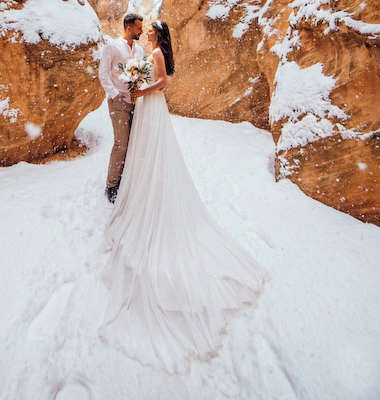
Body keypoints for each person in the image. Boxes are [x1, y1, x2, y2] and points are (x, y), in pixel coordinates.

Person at [99, 20, 268, 374]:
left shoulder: (156, 53)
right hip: (147, 107)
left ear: (157, 34)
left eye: (150, 29)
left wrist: (140, 91)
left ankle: (148, 188)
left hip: (151, 105)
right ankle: (141, 184)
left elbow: (162, 82)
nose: (146, 31)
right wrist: (133, 83)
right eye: (143, 28)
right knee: (144, 150)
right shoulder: (150, 52)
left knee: (150, 149)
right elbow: (145, 78)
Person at [98, 13, 146, 204]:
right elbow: (103, 73)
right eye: (139, 28)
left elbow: (142, 73)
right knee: (121, 144)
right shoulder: (112, 47)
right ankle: (111, 185)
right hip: (118, 102)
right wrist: (114, 93)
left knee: (133, 142)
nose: (141, 31)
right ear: (129, 28)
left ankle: (126, 180)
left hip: (136, 102)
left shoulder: (140, 50)